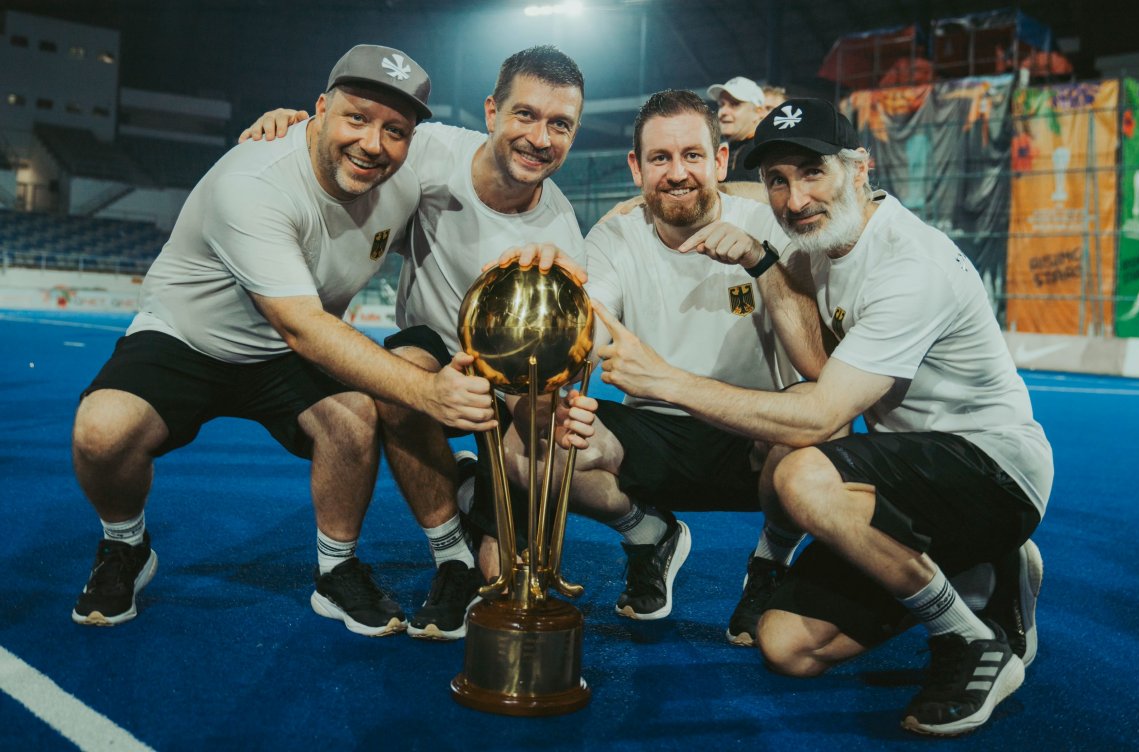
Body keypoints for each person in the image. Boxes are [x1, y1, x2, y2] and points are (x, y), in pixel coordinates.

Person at [590, 97, 1051, 737]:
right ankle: (984, 565)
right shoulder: (816, 244)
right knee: (787, 646)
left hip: (991, 468)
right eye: (778, 180)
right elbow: (813, 358)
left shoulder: (910, 265)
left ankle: (969, 640)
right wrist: (758, 258)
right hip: (904, 479)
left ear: (859, 169)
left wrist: (666, 380)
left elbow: (821, 412)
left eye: (813, 173)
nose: (794, 197)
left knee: (805, 473)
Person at [71, 45, 499, 636]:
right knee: (101, 431)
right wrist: (428, 392)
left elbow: (507, 155)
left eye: (395, 130)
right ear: (319, 109)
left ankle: (337, 570)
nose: (374, 144)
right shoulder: (253, 181)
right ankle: (125, 545)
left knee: (352, 421)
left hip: (284, 352)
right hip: (189, 337)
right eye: (356, 118)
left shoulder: (404, 178)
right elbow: (302, 326)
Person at [237, 45, 587, 641]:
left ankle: (524, 505)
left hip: (506, 381)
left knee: (508, 569)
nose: (539, 137)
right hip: (432, 349)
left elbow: (549, 376)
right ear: (491, 112)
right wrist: (295, 125)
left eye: (560, 124)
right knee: (400, 375)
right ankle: (450, 558)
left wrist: (541, 421)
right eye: (525, 115)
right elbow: (349, 143)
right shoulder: (428, 150)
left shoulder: (563, 240)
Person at [498, 89, 825, 638]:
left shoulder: (773, 226)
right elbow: (590, 325)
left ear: (720, 161)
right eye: (660, 158)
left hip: (752, 432)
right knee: (523, 449)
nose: (678, 173)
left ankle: (771, 563)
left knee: (821, 412)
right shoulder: (613, 236)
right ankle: (648, 532)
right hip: (652, 432)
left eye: (693, 156)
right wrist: (541, 329)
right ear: (636, 168)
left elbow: (817, 365)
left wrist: (759, 261)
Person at [707, 76, 768, 182]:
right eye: (721, 105)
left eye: (735, 104)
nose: (723, 112)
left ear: (758, 112)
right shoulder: (720, 150)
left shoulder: (766, 153)